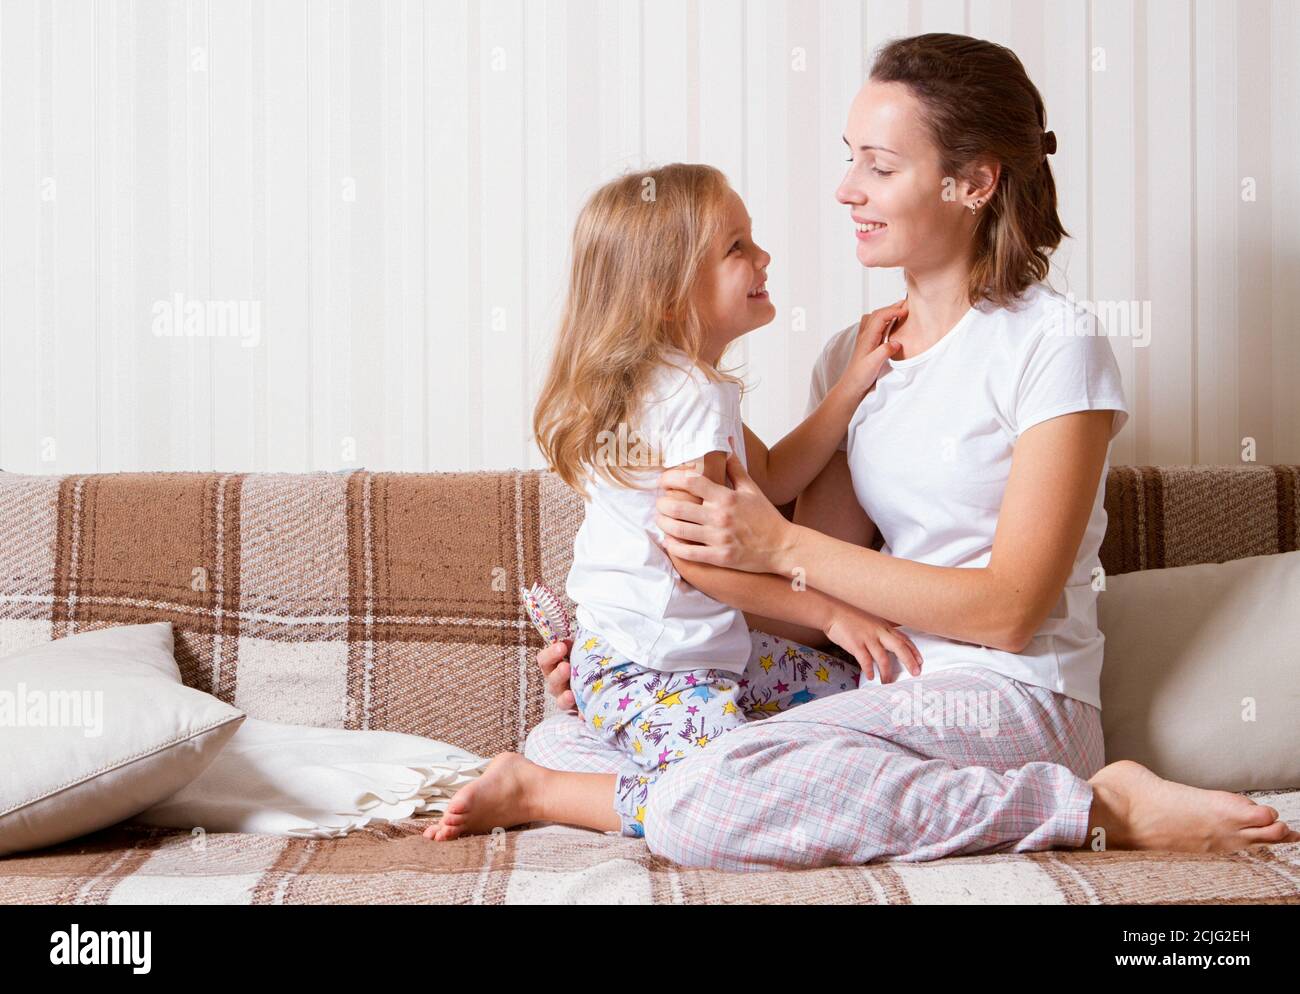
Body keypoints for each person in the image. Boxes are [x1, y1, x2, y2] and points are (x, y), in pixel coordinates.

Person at [525, 33, 1299, 869]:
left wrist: (783, 545)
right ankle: (603, 773)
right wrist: (637, 649)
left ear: (972, 182)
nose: (846, 188)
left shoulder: (1053, 343)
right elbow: (818, 614)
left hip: (1008, 698)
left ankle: (1095, 804)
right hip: (883, 685)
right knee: (559, 732)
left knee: (701, 800)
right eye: (850, 159)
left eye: (879, 167)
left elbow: (1010, 610)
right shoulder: (853, 359)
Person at [425, 163, 919, 843]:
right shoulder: (685, 395)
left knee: (856, 698)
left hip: (697, 654)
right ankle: (539, 788)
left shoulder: (681, 385)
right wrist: (833, 612)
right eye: (735, 248)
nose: (763, 258)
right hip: (652, 670)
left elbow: (771, 479)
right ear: (665, 296)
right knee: (729, 793)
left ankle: (571, 753)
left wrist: (855, 379)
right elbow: (698, 562)